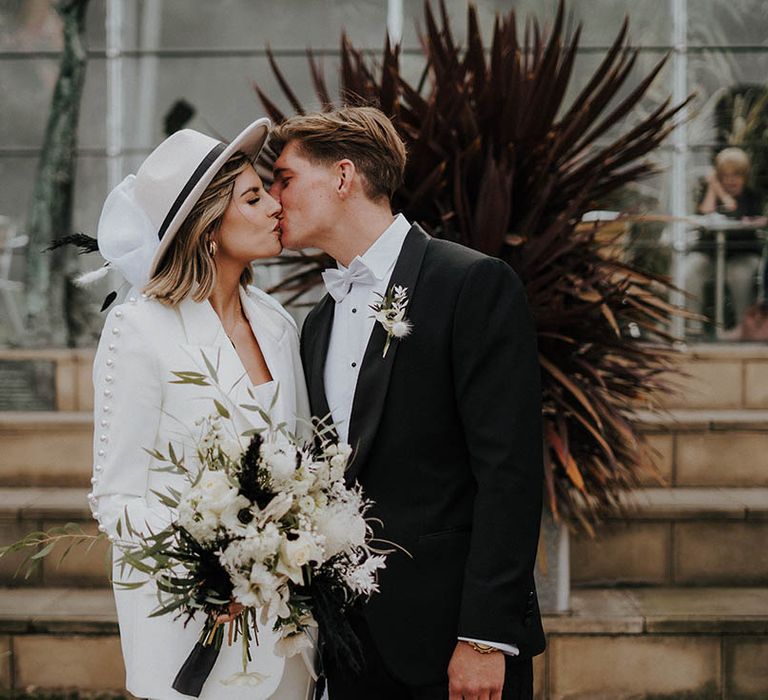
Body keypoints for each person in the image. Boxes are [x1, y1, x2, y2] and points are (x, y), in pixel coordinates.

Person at [270, 106, 545, 700]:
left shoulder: (472, 283)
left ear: (342, 177)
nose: (273, 197)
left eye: (285, 178)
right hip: (346, 649)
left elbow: (511, 475)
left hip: (452, 644)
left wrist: (484, 638)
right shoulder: (317, 322)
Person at [87, 120, 314, 699]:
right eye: (254, 197)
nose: (274, 208)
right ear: (209, 226)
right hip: (189, 634)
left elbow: (305, 467)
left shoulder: (277, 323)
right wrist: (218, 563)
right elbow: (117, 499)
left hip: (285, 636)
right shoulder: (137, 329)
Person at [684, 147, 767, 333]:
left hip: (742, 253)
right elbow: (704, 212)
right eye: (724, 175)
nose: (730, 180)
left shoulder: (752, 196)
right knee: (689, 270)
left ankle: (743, 328)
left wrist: (719, 189)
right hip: (711, 253)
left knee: (739, 275)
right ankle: (693, 327)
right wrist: (713, 188)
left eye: (736, 175)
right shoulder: (710, 191)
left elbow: (733, 208)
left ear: (744, 177)